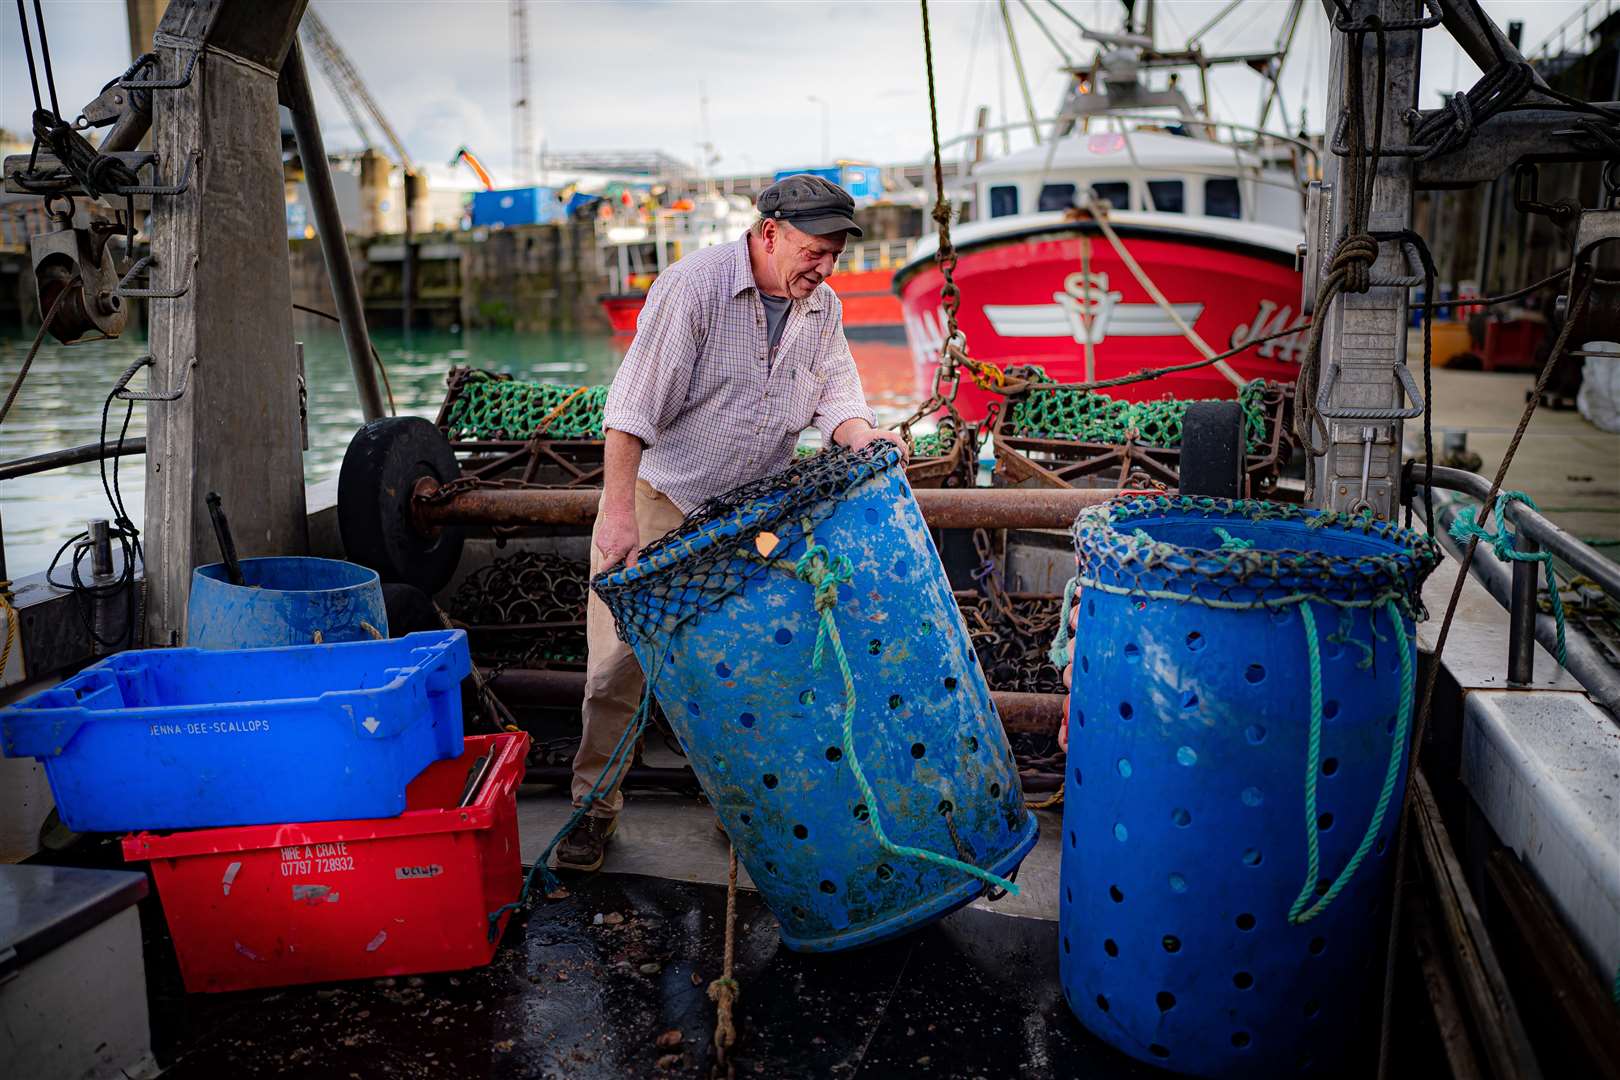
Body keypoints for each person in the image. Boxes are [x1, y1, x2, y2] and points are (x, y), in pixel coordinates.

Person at [557, 174, 908, 872]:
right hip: (661, 500)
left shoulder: (823, 307)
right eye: (815, 250)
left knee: (748, 667)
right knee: (615, 673)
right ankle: (592, 814)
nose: (826, 267)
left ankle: (744, 812)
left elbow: (837, 395)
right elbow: (628, 412)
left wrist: (866, 437)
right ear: (769, 232)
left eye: (835, 254)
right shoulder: (693, 289)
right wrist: (619, 518)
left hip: (744, 520)